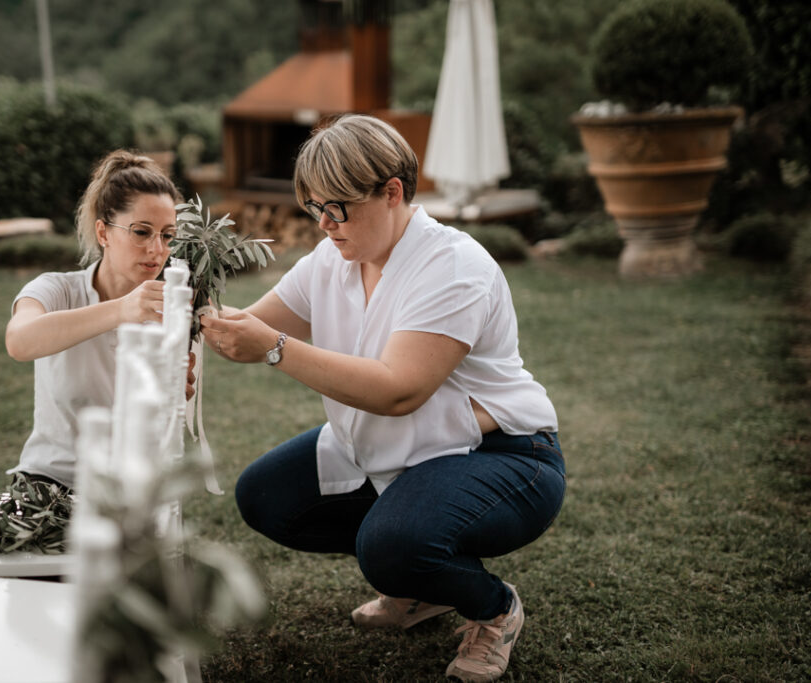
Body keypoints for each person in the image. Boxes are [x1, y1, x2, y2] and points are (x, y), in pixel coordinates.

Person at [199, 115, 565, 682]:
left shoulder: (451, 265)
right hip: (389, 446)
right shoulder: (333, 256)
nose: (323, 225)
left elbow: (399, 390)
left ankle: (492, 608)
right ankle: (423, 587)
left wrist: (274, 348)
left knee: (390, 545)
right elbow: (248, 327)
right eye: (314, 208)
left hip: (505, 454)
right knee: (264, 495)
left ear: (391, 192)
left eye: (336, 208)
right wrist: (185, 306)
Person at [5, 150, 194, 492]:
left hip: (130, 490)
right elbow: (19, 342)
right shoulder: (55, 289)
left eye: (167, 235)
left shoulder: (172, 308)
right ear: (103, 233)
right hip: (48, 483)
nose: (157, 250)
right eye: (141, 232)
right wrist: (122, 309)